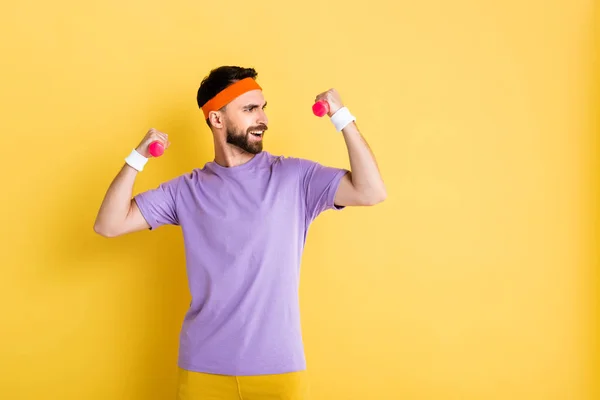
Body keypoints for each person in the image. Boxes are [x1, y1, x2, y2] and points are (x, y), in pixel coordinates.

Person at [94, 66, 386, 399]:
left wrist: (343, 118)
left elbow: (370, 191)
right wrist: (137, 157)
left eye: (263, 107)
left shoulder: (295, 177)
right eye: (249, 109)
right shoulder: (186, 190)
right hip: (203, 368)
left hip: (279, 370)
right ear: (217, 119)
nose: (263, 118)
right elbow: (109, 224)